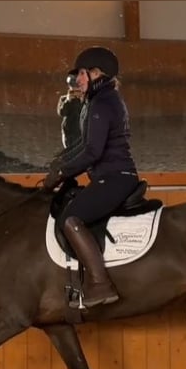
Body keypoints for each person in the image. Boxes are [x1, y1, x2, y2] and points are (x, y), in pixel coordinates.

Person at [43, 45, 139, 308]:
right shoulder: (99, 102)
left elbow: (93, 152)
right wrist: (61, 162)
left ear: (97, 74)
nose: (78, 80)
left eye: (83, 74)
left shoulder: (102, 104)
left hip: (115, 177)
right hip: (111, 177)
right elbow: (85, 145)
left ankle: (100, 284)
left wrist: (63, 172)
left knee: (72, 219)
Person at [56, 72, 85, 149]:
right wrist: (68, 101)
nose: (76, 89)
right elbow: (62, 112)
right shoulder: (64, 98)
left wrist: (82, 100)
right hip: (68, 132)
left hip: (82, 133)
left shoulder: (87, 99)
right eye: (73, 86)